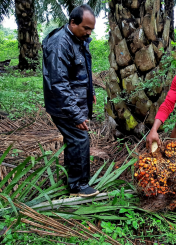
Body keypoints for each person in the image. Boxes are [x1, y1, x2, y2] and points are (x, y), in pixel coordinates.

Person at [42, 4, 99, 196]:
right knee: (79, 139)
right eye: (86, 28)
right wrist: (76, 115)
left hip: (74, 100)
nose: (89, 33)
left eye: (91, 29)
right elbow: (58, 84)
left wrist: (89, 91)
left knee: (74, 139)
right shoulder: (60, 44)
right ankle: (78, 186)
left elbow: (81, 71)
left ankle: (72, 178)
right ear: (73, 23)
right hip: (63, 104)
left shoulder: (78, 38)